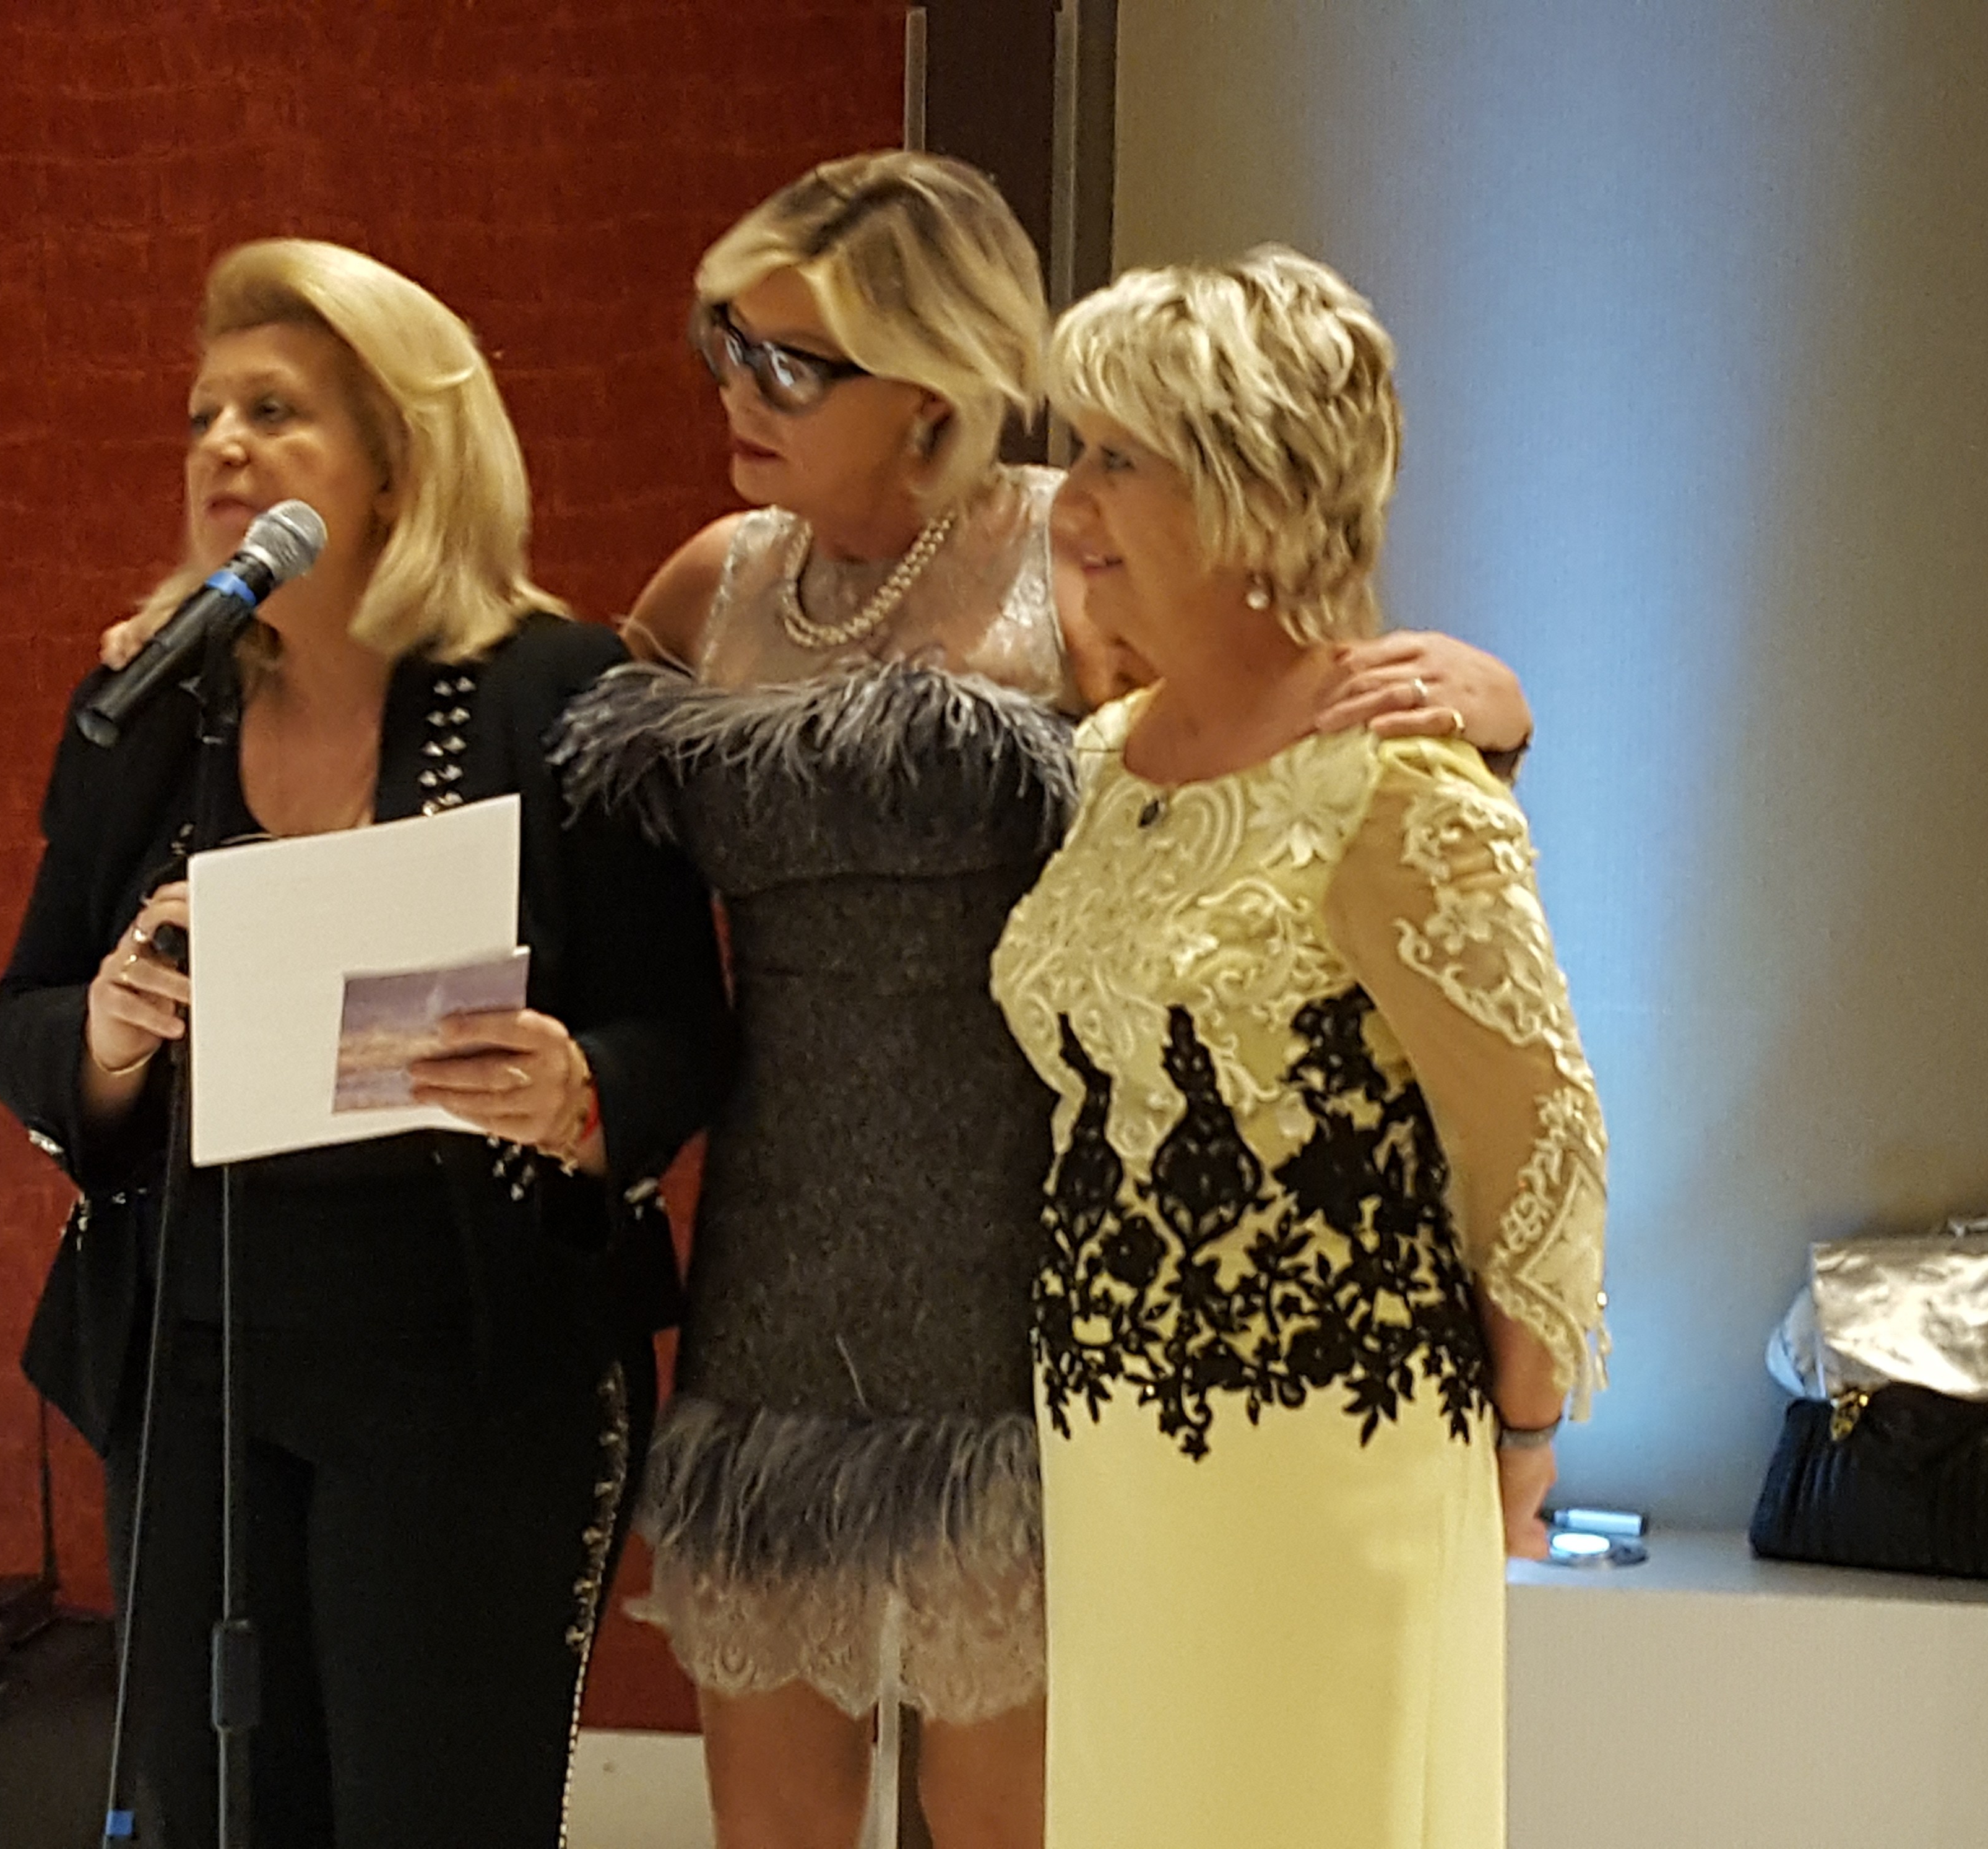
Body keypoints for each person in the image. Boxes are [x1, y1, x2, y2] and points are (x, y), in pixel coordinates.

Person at [551, 155, 1539, 1849]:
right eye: (727, 341)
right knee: (769, 1825)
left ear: (929, 387)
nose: (739, 389)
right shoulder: (712, 582)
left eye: (792, 360)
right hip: (779, 1248)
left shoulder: (1066, 554)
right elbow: (548, 766)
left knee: (1012, 1822)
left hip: (1024, 1262)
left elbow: (1253, 760)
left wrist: (1496, 709)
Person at [0, 238, 734, 1847]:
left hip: (472, 1362)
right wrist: (107, 1033)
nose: (223, 447)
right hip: (198, 1357)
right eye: (202, 416)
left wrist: (578, 1090)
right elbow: (20, 1014)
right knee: (221, 1810)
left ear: (399, 461)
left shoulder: (564, 692)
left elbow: (681, 1031)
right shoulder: (153, 703)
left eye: (275, 412)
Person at [988, 246, 1610, 1849]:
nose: (1071, 501)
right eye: (1076, 451)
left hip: (1333, 1444)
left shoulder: (1394, 775)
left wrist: (1525, 1436)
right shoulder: (1105, 762)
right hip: (1113, 1437)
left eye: (1118, 459)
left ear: (1250, 490)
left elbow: (1538, 1129)